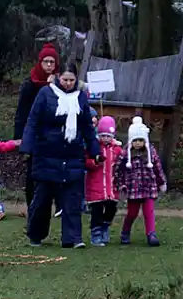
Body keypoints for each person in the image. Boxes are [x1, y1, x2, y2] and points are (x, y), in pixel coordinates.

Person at [21, 62, 101, 249]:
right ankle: (36, 234)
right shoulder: (45, 94)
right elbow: (33, 121)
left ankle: (72, 238)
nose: (67, 83)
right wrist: (27, 147)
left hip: (72, 154)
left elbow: (87, 127)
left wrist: (94, 150)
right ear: (58, 77)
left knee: (72, 200)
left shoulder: (81, 97)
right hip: (46, 153)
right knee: (42, 200)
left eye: (71, 80)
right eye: (65, 79)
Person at [14, 44, 60, 208]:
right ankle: (31, 205)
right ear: (40, 62)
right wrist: (20, 137)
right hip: (34, 133)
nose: (49, 65)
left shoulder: (61, 83)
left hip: (53, 134)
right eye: (46, 61)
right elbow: (22, 112)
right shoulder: (30, 84)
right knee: (32, 172)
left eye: (52, 62)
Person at [115, 117, 167, 247]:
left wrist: (161, 182)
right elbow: (118, 171)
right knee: (132, 213)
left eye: (140, 140)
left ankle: (151, 234)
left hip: (148, 187)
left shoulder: (151, 152)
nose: (138, 143)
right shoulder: (125, 154)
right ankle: (125, 232)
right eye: (135, 140)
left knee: (148, 212)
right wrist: (120, 185)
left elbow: (157, 168)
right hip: (133, 189)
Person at [85, 116, 123, 246]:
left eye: (108, 136)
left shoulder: (117, 149)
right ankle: (96, 235)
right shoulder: (94, 147)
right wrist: (96, 161)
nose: (105, 138)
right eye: (103, 135)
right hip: (96, 186)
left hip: (112, 187)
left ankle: (105, 227)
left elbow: (121, 164)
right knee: (96, 211)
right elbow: (86, 162)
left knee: (111, 208)